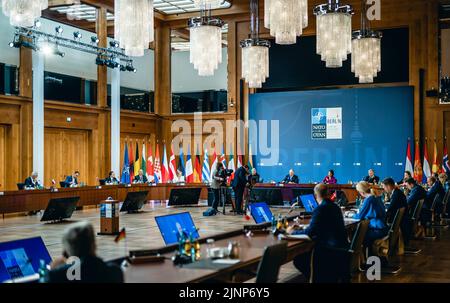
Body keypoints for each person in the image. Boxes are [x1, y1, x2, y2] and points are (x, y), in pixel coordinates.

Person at [287, 183, 348, 281]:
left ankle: (317, 279)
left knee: (299, 259)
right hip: (340, 247)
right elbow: (320, 227)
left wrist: (291, 232)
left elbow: (310, 232)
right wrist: (302, 229)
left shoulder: (320, 209)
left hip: (329, 250)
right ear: (328, 193)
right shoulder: (335, 207)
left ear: (315, 196)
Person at [45, 221, 123, 283]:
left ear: (66, 252)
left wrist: (53, 271)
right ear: (94, 245)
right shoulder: (114, 272)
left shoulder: (57, 276)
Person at [352, 181, 388, 249]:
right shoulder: (376, 197)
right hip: (383, 227)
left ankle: (363, 257)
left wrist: (351, 215)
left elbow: (360, 216)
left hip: (377, 230)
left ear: (361, 192)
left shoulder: (368, 199)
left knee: (356, 235)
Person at [382, 177, 409, 245]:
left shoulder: (396, 194)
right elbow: (391, 204)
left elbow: (390, 209)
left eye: (384, 187)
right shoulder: (397, 192)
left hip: (399, 221)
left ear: (388, 186)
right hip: (403, 218)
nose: (384, 189)